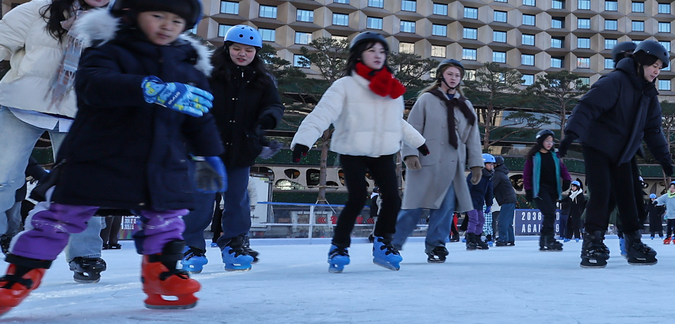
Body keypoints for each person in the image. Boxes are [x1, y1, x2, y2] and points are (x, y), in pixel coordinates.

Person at [1, 0, 223, 312]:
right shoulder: (108, 50)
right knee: (59, 218)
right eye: (157, 16)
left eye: (176, 20)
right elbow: (95, 86)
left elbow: (199, 115)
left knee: (166, 221)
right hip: (99, 157)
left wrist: (210, 154)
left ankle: (162, 275)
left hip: (160, 165)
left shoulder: (188, 66)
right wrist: (149, 89)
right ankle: (20, 276)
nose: (167, 25)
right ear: (130, 13)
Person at [0, 0, 128, 284]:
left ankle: (86, 255)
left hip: (78, 116)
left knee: (83, 186)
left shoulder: (115, 29)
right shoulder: (38, 12)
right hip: (21, 104)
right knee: (4, 178)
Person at [291, 32, 427, 272]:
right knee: (357, 198)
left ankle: (383, 243)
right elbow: (322, 114)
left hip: (384, 150)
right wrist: (303, 141)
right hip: (352, 148)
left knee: (393, 198)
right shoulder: (345, 86)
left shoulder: (389, 87)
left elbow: (397, 122)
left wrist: (419, 142)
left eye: (382, 51)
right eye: (371, 50)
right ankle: (339, 246)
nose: (377, 55)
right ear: (358, 54)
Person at [559, 40, 673, 268]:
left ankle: (633, 242)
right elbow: (587, 107)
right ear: (641, 62)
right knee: (601, 193)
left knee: (630, 198)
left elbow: (653, 130)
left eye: (660, 68)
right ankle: (592, 241)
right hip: (599, 146)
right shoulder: (615, 81)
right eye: (654, 66)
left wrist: (664, 159)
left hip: (624, 151)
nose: (656, 71)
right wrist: (570, 135)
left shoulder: (649, 94)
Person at [179, 25, 283, 274]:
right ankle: (192, 247)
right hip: (205, 150)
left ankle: (234, 245)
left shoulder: (262, 80)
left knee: (237, 201)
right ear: (227, 48)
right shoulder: (208, 73)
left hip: (241, 151)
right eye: (237, 48)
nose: (242, 54)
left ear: (256, 52)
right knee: (201, 201)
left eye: (248, 50)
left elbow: (274, 105)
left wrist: (268, 118)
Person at [392, 59, 484, 263]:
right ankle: (392, 244)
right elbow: (412, 126)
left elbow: (472, 137)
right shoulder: (427, 99)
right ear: (441, 75)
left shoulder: (466, 105)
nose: (454, 78)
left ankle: (437, 245)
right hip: (426, 161)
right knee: (413, 207)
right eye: (450, 74)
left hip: (453, 166)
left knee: (445, 207)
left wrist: (476, 163)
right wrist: (409, 153)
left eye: (457, 75)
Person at [522, 130, 571, 252]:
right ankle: (549, 239)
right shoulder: (534, 157)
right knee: (549, 213)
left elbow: (563, 169)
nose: (550, 144)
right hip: (540, 190)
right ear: (541, 142)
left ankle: (544, 240)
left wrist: (567, 180)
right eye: (547, 141)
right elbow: (527, 174)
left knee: (551, 214)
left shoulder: (554, 156)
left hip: (553, 190)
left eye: (551, 141)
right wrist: (528, 189)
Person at [464, 154, 495, 250]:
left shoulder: (488, 177)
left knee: (481, 220)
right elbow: (467, 188)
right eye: (490, 164)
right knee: (474, 219)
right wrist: (465, 201)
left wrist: (489, 204)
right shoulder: (474, 175)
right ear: (483, 164)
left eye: (493, 164)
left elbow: (489, 191)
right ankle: (470, 239)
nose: (492, 166)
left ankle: (477, 238)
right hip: (471, 201)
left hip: (479, 202)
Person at [490, 158, 516, 247]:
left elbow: (492, 187)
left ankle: (503, 239)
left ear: (497, 164)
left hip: (507, 199)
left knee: (503, 220)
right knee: (508, 221)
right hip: (510, 198)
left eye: (493, 164)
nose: (492, 165)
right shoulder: (501, 173)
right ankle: (510, 239)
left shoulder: (498, 174)